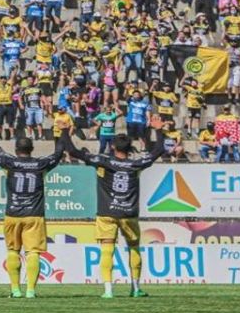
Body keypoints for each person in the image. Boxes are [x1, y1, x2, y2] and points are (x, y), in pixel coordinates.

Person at [63, 117, 165, 298]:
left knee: (107, 249)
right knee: (134, 248)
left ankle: (108, 290)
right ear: (129, 148)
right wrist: (158, 130)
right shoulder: (136, 164)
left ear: (112, 147)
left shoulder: (103, 161)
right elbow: (158, 150)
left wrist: (63, 131)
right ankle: (135, 288)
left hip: (107, 212)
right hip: (128, 213)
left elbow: (71, 151)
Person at [0, 128, 66, 298]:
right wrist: (61, 133)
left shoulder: (9, 162)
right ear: (32, 149)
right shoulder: (40, 164)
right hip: (34, 214)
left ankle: (15, 290)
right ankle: (30, 290)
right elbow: (58, 153)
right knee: (33, 253)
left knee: (13, 251)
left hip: (13, 214)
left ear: (16, 150)